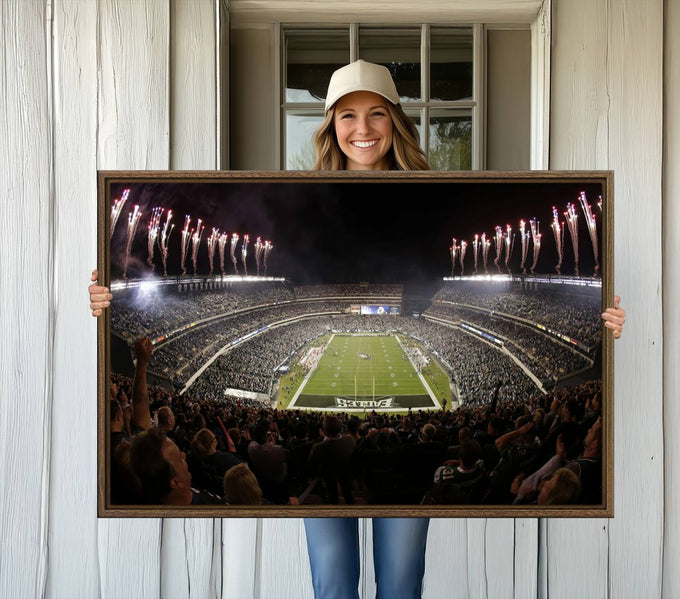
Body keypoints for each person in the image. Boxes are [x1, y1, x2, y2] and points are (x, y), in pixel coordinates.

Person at [88, 59, 627, 599]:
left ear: (395, 120)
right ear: (330, 125)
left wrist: (606, 317)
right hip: (329, 494)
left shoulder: (430, 188)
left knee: (399, 584)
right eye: (347, 116)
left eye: (376, 114)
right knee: (333, 585)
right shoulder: (302, 190)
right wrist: (105, 297)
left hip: (388, 491)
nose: (362, 129)